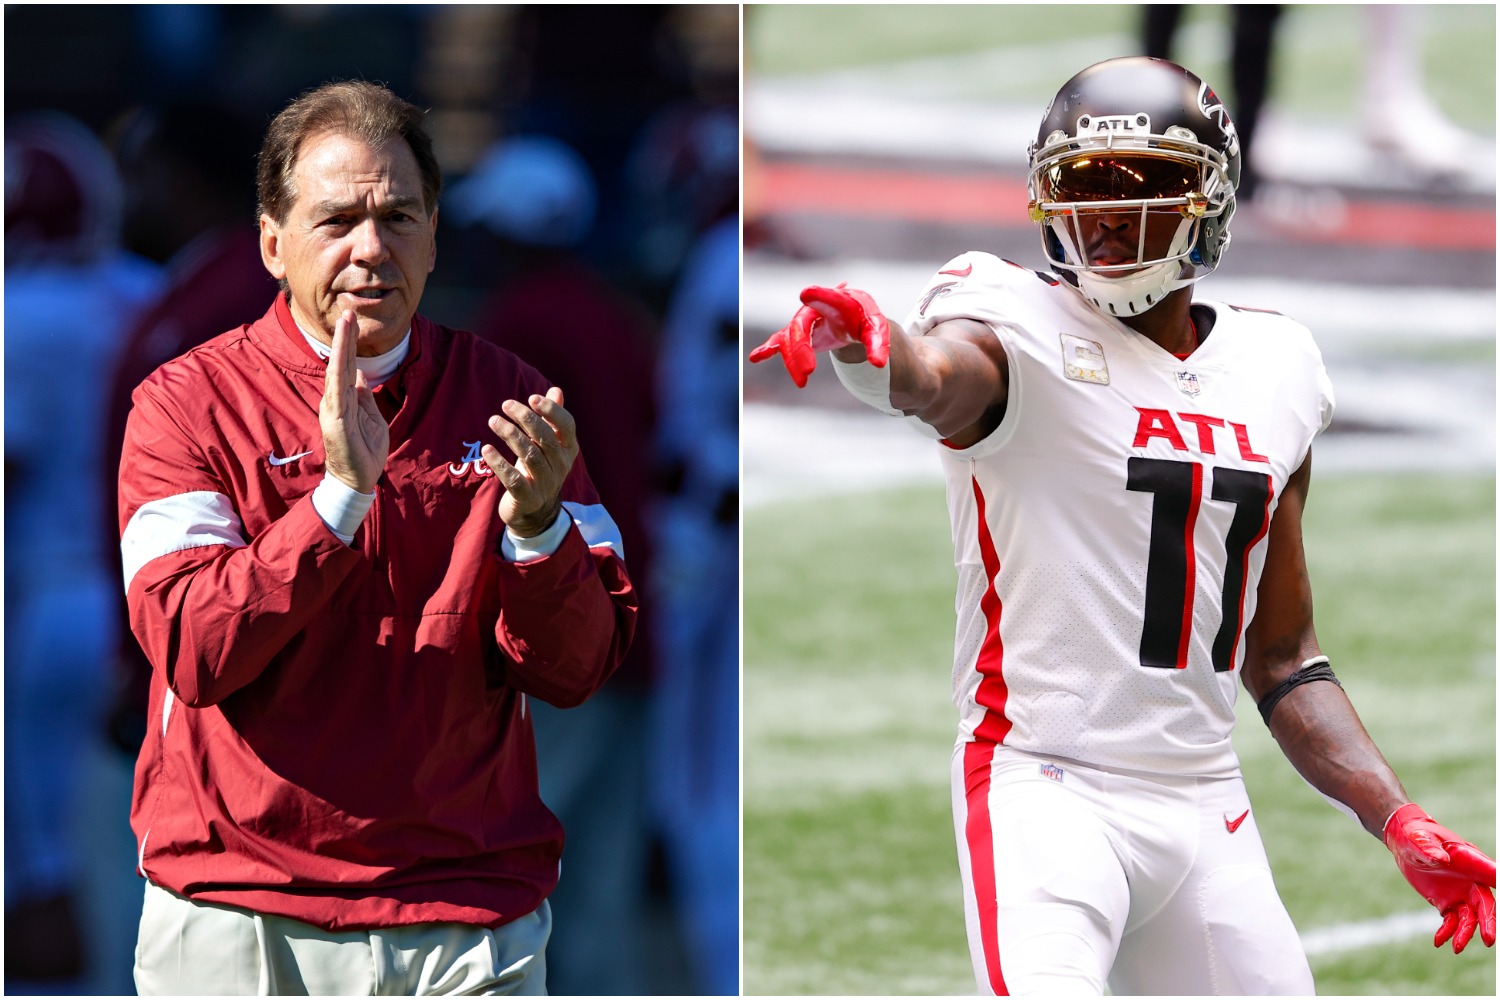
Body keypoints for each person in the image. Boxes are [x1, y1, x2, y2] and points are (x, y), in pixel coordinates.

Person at [750, 56, 1494, 996]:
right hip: (1042, 788)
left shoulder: (1278, 367)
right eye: (1084, 185)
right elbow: (940, 378)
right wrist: (875, 355)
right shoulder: (1010, 317)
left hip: (1204, 797)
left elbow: (1284, 657)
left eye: (1143, 185)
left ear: (1209, 200)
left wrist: (1395, 816)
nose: (1108, 218)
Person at [117, 80, 637, 996]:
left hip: (466, 912)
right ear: (272, 244)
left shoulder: (511, 396)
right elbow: (193, 648)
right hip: (238, 908)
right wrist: (336, 504)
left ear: (436, 234)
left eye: (398, 216)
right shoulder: (185, 403)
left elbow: (578, 671)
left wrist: (537, 532)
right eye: (336, 221)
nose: (370, 250)